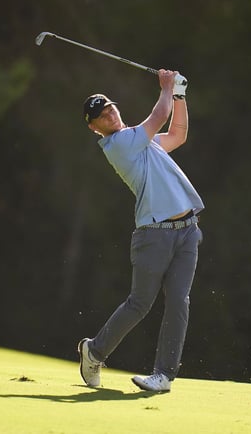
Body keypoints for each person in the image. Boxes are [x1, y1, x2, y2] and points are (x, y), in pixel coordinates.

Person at [77, 69, 204, 393]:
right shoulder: (118, 144)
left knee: (179, 302)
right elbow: (160, 116)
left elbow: (177, 134)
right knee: (140, 303)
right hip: (154, 233)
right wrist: (165, 88)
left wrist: (179, 96)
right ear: (95, 128)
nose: (109, 113)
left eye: (109, 107)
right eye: (101, 115)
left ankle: (164, 375)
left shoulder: (142, 141)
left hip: (187, 230)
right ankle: (94, 351)